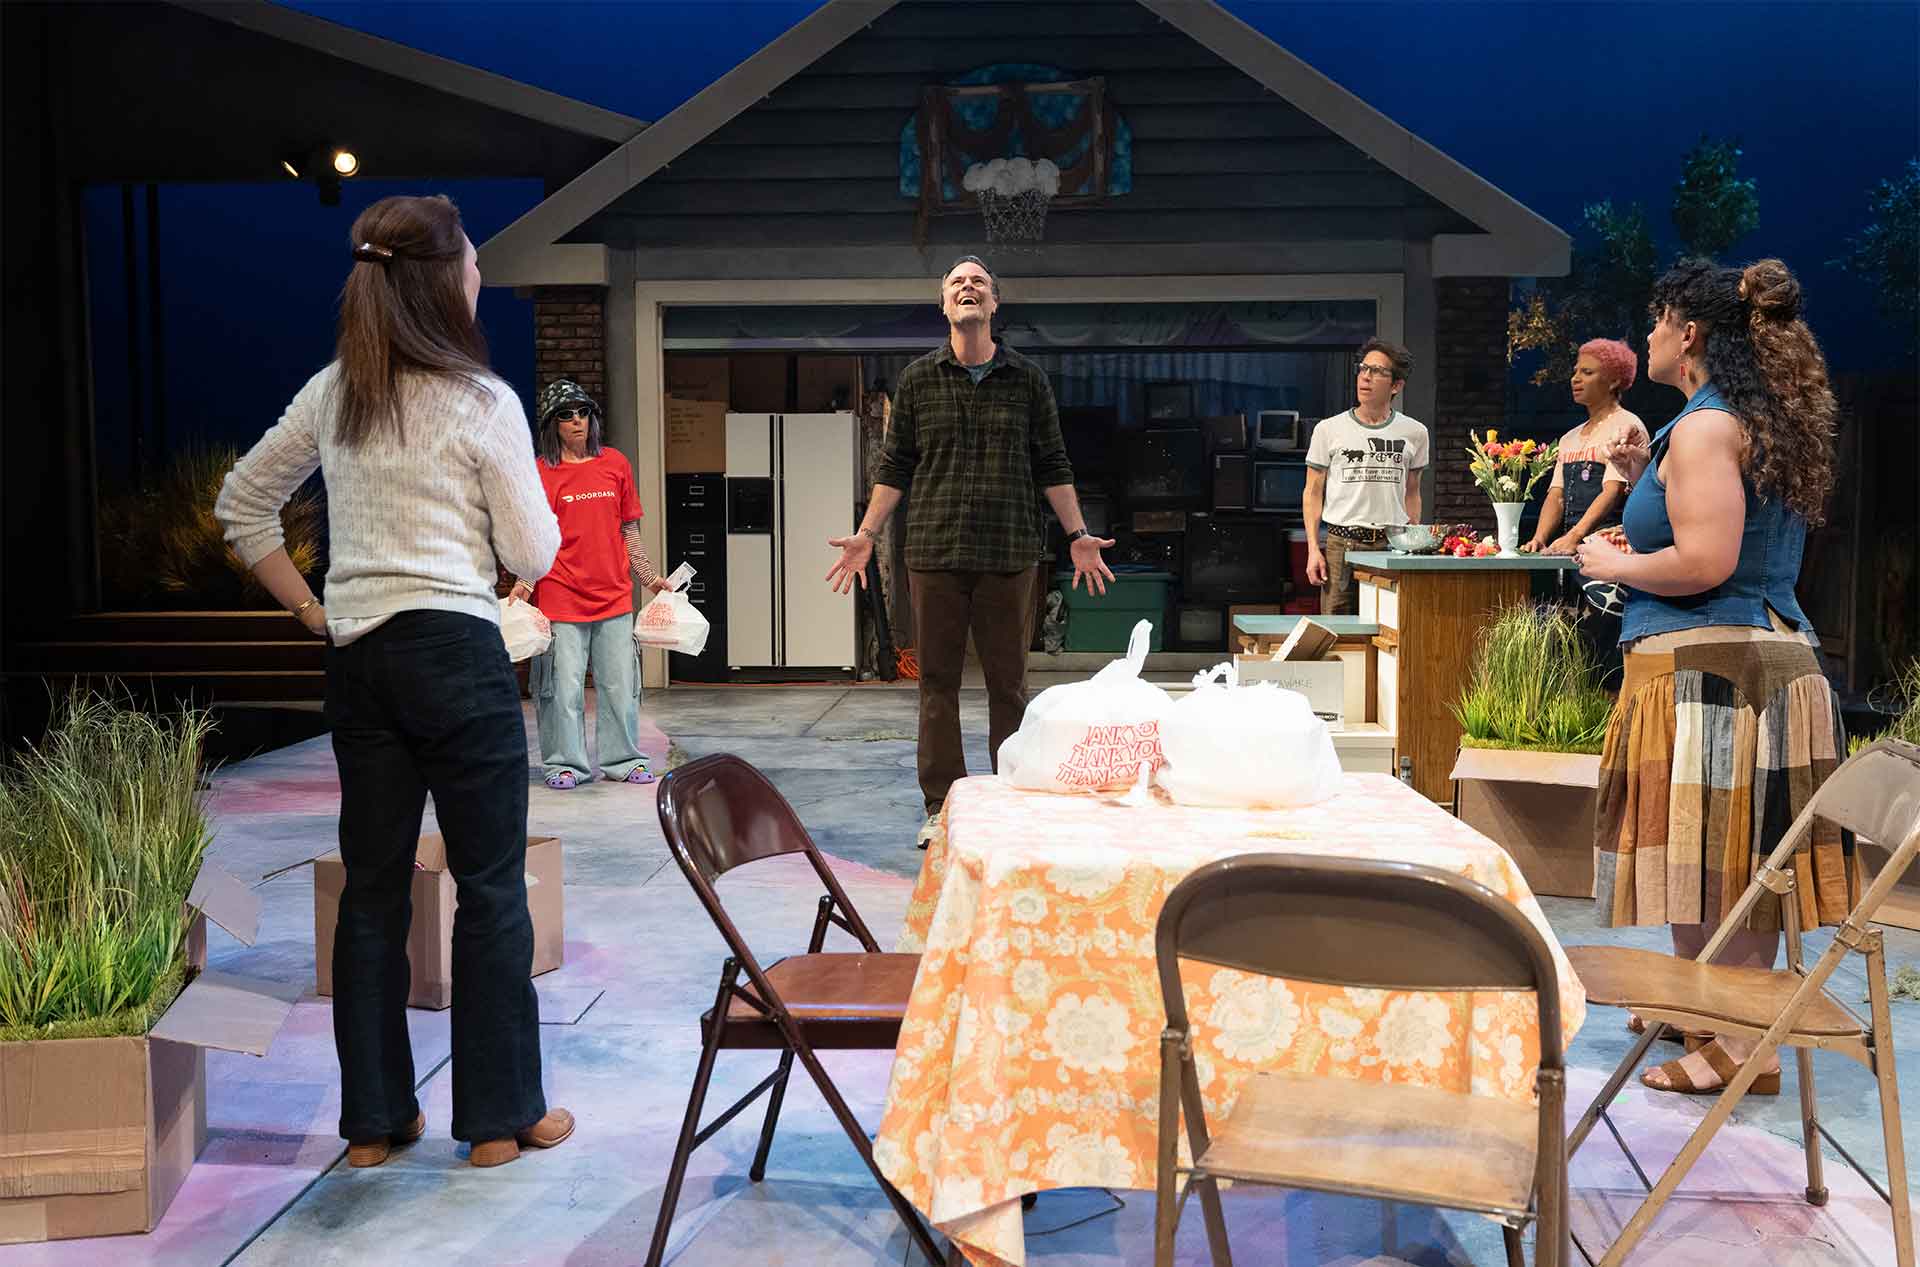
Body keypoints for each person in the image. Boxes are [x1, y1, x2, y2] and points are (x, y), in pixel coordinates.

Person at [215, 194, 573, 1168]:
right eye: (472, 262)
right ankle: (498, 1119)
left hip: (362, 660)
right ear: (442, 279)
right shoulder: (480, 402)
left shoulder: (335, 393)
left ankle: (375, 1123)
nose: (481, 276)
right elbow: (534, 542)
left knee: (372, 892)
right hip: (458, 653)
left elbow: (241, 505)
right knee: (491, 887)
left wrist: (312, 608)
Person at [1573, 257, 1847, 1097]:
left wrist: (1604, 560)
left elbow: (1707, 558)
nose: (1647, 334)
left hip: (1723, 669)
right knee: (1709, 854)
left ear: (1686, 333)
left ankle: (1741, 1047)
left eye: (1655, 319)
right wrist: (1639, 548)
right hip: (1734, 659)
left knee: (1723, 861)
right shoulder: (1717, 421)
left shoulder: (1704, 428)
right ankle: (1712, 1017)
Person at [825, 255, 1113, 845]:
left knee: (1009, 684)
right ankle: (943, 805)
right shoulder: (917, 379)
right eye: (957, 282)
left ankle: (1011, 796)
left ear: (994, 304)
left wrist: (1078, 534)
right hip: (933, 551)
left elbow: (1052, 462)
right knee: (937, 684)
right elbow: (896, 463)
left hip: (1010, 553)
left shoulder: (1026, 378)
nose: (968, 287)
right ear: (944, 305)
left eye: (978, 281)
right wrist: (868, 531)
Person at [506, 379, 670, 791]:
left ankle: (624, 759)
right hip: (560, 597)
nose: (577, 420)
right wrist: (525, 582)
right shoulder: (541, 472)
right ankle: (565, 763)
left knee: (620, 687)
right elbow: (536, 537)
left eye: (583, 412)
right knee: (561, 689)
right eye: (566, 414)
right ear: (551, 423)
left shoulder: (615, 463)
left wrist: (649, 579)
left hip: (614, 595)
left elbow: (628, 529)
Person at [1302, 339, 1430, 614]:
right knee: (1338, 634)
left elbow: (1412, 491)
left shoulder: (1415, 432)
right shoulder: (1328, 429)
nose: (1366, 377)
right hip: (1340, 545)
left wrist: (1412, 543)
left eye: (1377, 371)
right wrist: (1313, 548)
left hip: (1391, 543)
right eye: (1363, 369)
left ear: (1396, 385)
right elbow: (1313, 491)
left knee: (1391, 627)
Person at [1522, 338, 1649, 555]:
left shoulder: (1626, 426)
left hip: (1611, 548)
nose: (1575, 379)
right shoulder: (1568, 438)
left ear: (1614, 381)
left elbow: (1613, 491)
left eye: (1587, 372)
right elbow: (1556, 495)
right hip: (1573, 546)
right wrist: (1539, 538)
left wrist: (1574, 535)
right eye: (1576, 371)